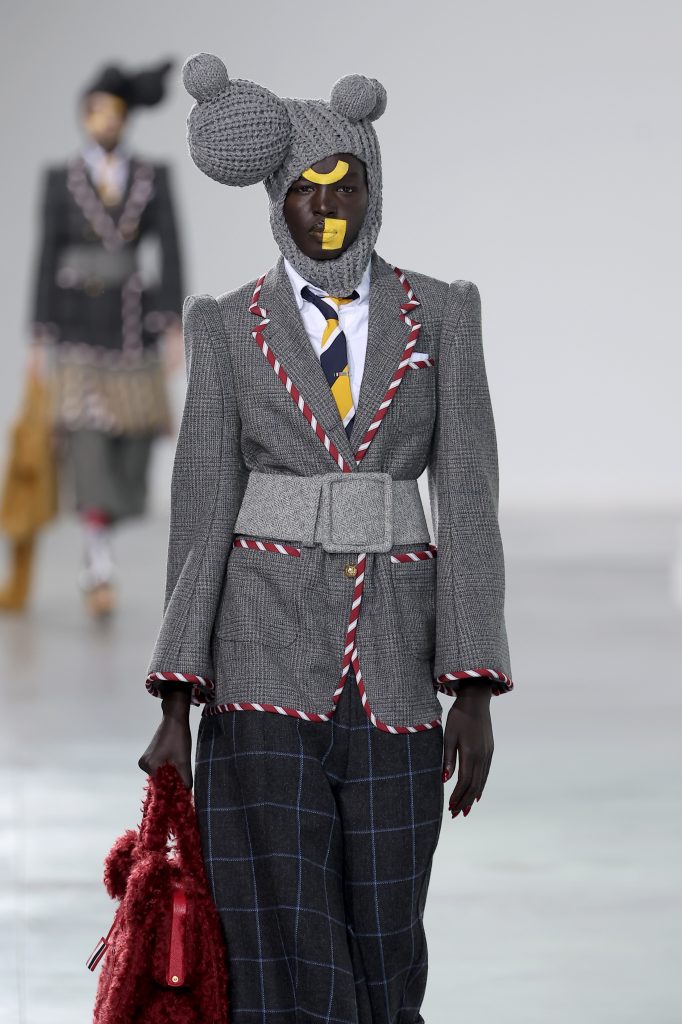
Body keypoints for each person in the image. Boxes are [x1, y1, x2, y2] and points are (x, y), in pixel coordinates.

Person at [139, 52, 514, 1024]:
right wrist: (177, 697)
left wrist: (472, 681)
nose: (328, 205)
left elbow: (467, 495)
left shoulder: (442, 315)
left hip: (395, 670)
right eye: (306, 189)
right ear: (276, 199)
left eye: (346, 182)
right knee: (280, 940)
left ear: (373, 185)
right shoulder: (227, 327)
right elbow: (201, 508)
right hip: (259, 660)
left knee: (387, 944)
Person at [25, 59, 184, 617]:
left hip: (131, 326)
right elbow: (46, 256)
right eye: (95, 111)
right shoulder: (61, 180)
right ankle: (98, 560)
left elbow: (171, 250)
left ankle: (104, 531)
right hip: (76, 329)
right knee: (87, 444)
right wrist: (39, 337)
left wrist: (173, 325)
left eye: (113, 111)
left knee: (132, 449)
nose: (105, 120)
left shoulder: (151, 177)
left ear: (126, 116)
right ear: (83, 116)